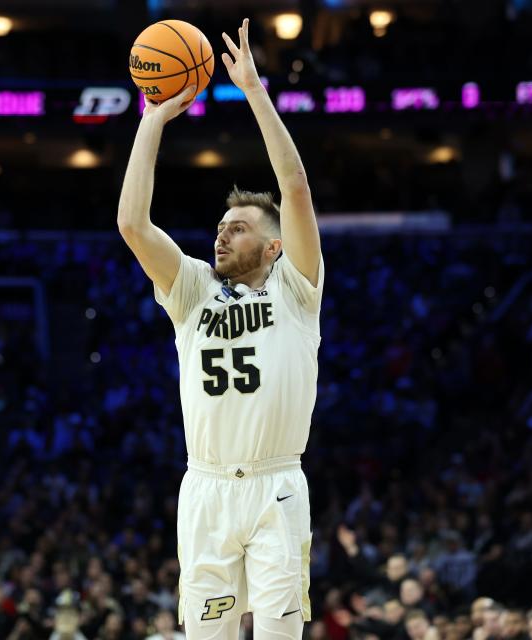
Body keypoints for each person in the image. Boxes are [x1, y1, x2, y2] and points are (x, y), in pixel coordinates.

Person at [117, 17, 322, 640]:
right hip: (204, 486)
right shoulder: (192, 289)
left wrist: (255, 92)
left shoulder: (295, 290)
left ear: (273, 245)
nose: (221, 233)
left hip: (275, 485)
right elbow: (132, 222)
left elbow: (294, 185)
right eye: (219, 225)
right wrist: (153, 118)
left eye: (239, 226)